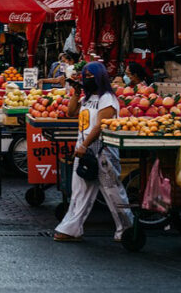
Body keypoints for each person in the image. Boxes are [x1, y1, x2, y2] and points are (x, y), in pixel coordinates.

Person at [54, 61, 134, 242]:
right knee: (80, 191)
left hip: (102, 151)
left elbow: (100, 125)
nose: (87, 79)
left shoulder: (108, 99)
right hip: (84, 151)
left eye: (91, 76)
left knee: (112, 191)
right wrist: (75, 92)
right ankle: (71, 229)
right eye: (85, 76)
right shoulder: (87, 98)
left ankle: (127, 227)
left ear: (100, 78)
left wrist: (84, 145)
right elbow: (71, 112)